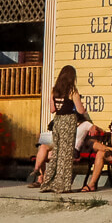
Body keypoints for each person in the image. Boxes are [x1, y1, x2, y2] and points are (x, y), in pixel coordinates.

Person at [38, 65, 87, 194]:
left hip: (58, 121)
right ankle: (62, 185)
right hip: (69, 121)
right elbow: (80, 110)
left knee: (56, 153)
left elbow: (52, 109)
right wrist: (83, 107)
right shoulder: (72, 91)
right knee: (66, 154)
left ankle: (48, 183)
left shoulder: (54, 90)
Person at [27, 117, 100, 188]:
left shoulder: (85, 124)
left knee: (44, 156)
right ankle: (38, 173)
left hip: (72, 150)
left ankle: (40, 178)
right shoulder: (68, 124)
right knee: (43, 147)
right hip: (61, 147)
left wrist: (93, 132)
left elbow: (96, 129)